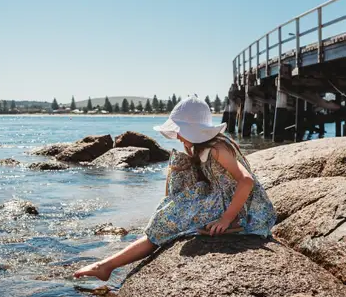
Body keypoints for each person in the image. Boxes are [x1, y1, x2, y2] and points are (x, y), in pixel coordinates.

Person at [74, 95, 276, 281]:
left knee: (166, 223)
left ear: (193, 131)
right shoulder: (198, 146)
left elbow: (246, 181)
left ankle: (106, 266)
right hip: (218, 195)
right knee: (174, 184)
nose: (178, 137)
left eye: (180, 131)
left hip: (240, 205)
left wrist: (226, 218)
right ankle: (110, 262)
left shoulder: (218, 148)